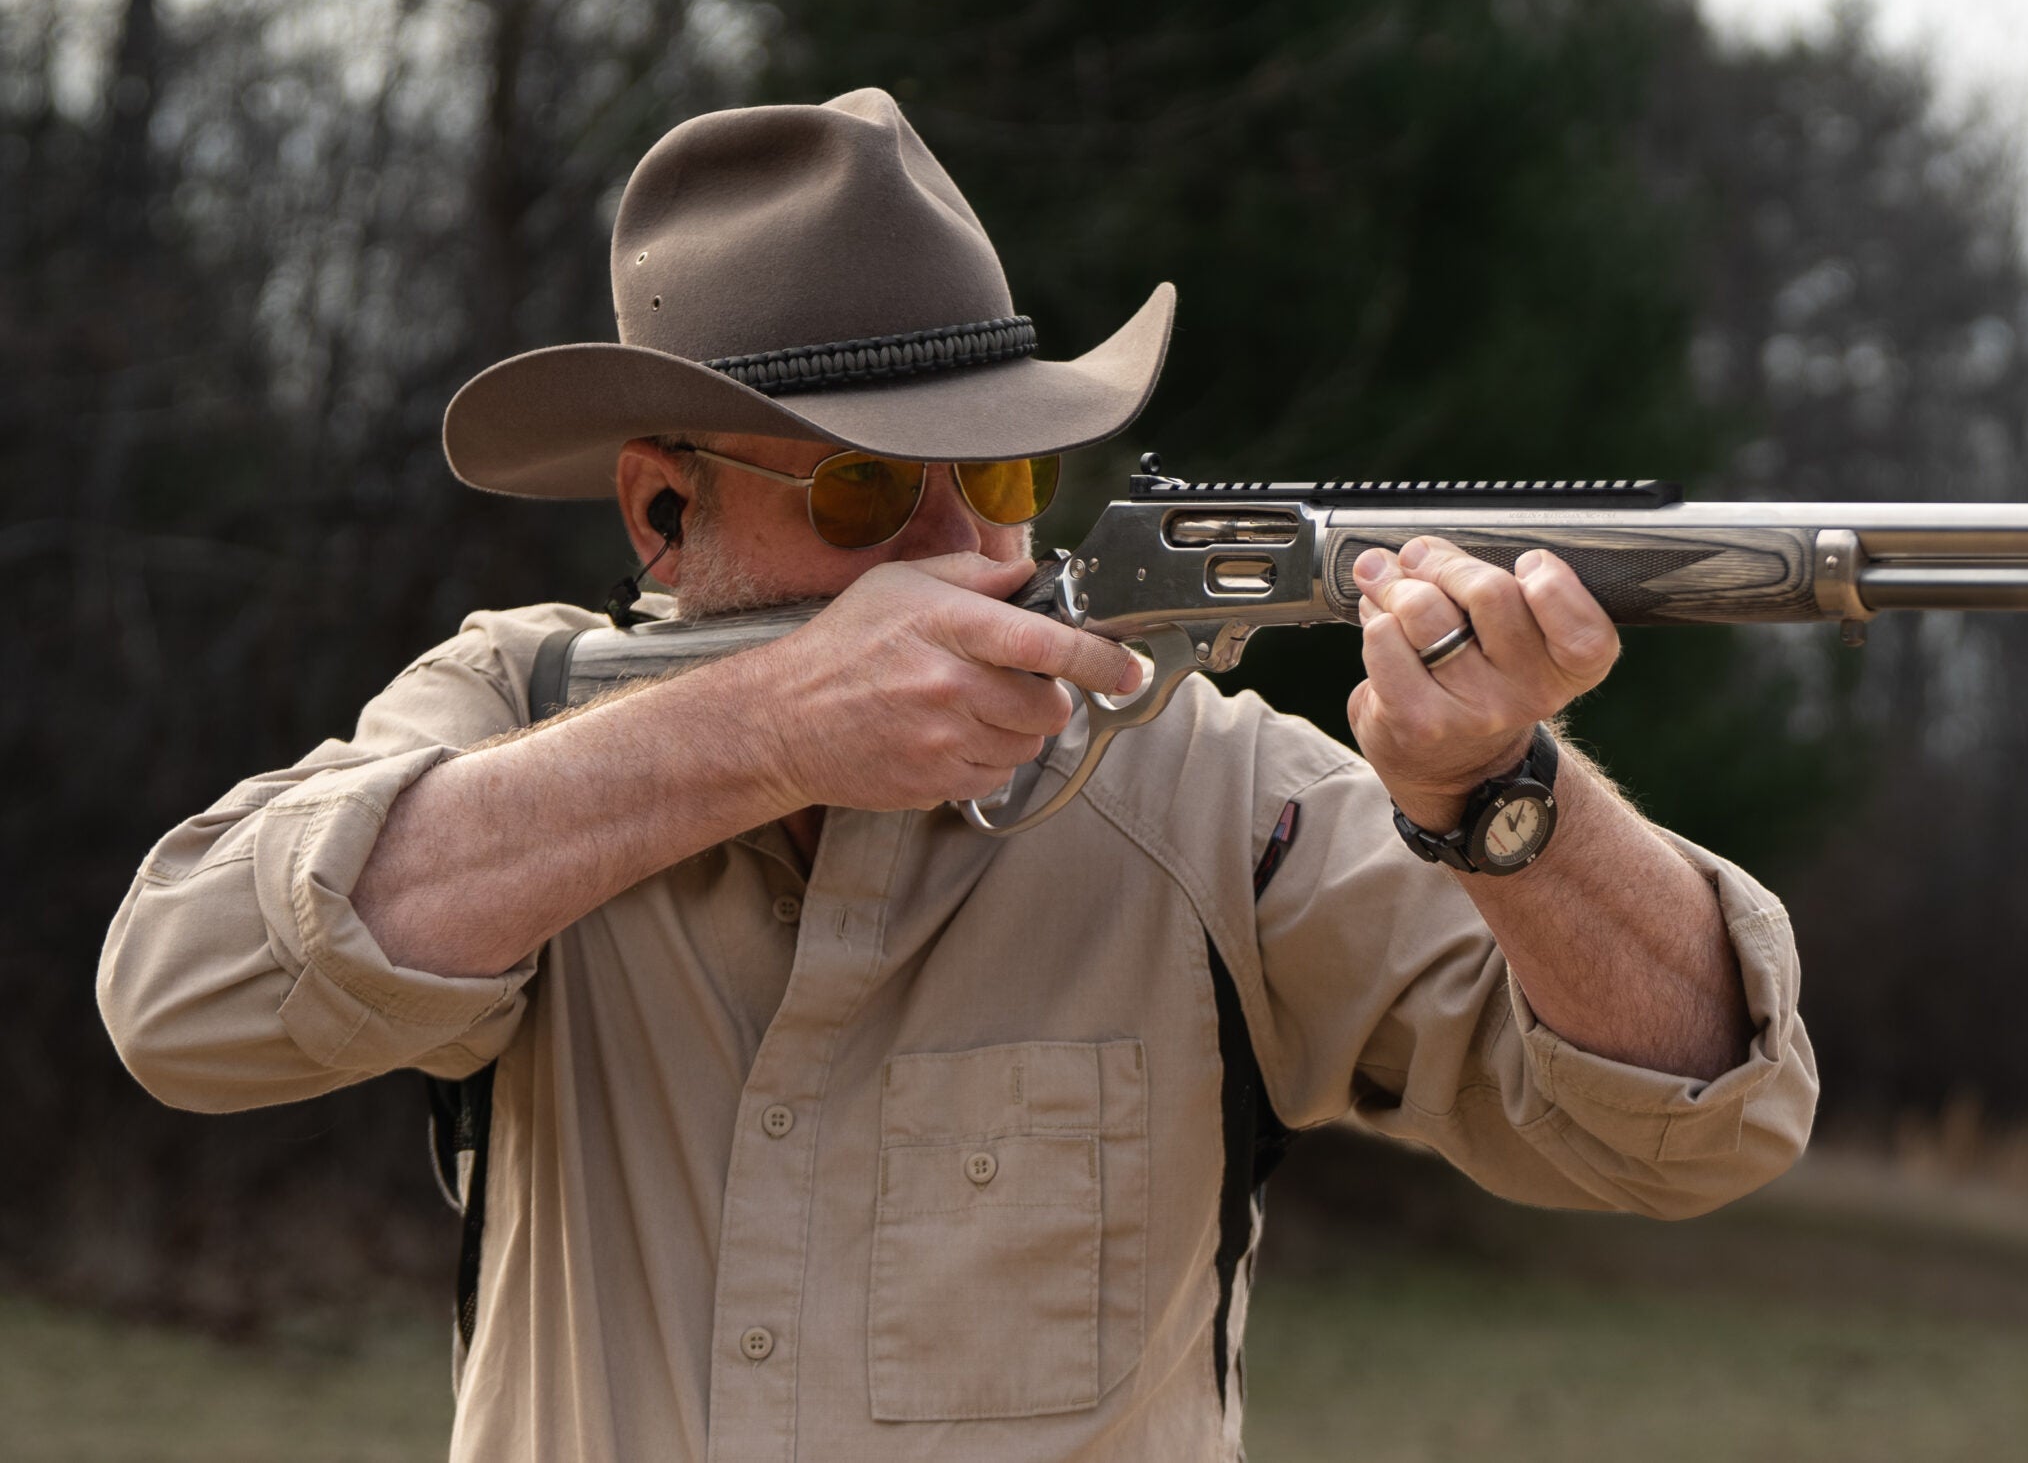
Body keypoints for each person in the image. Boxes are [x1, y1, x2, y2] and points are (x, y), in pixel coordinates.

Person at [98, 89, 1818, 1462]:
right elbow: (180, 998)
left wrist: (1503, 795)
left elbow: (1693, 1127)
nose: (955, 552)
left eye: (996, 486)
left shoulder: (1209, 792)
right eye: (862, 498)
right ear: (660, 510)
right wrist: (757, 731)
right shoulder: (517, 707)